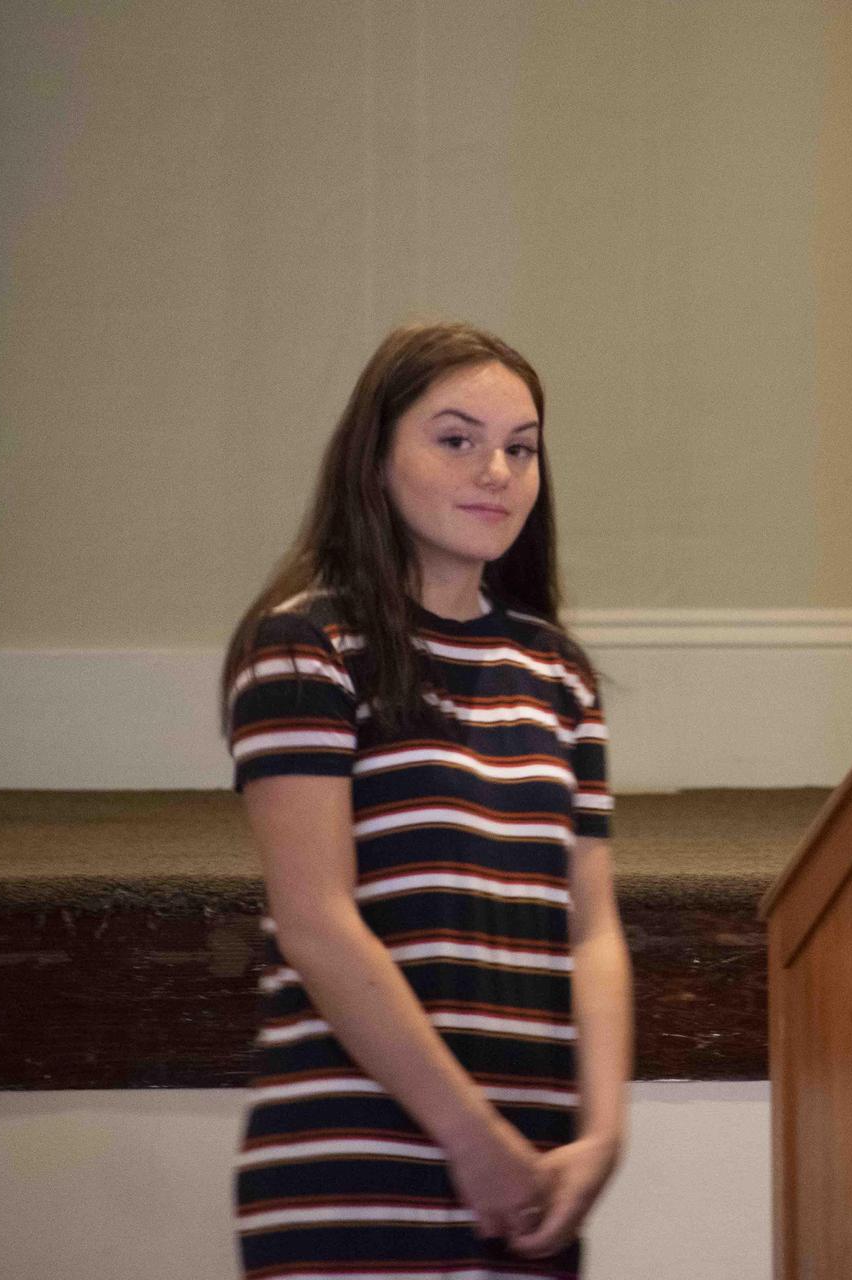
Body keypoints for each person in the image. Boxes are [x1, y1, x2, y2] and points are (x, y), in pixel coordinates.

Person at [221, 322, 630, 1277]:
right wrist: (469, 1135)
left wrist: (602, 1134)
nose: (496, 469)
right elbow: (317, 923)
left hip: (532, 1178)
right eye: (456, 439)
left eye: (520, 448)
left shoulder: (557, 673)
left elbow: (592, 930)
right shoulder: (306, 646)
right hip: (354, 1175)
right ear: (376, 460)